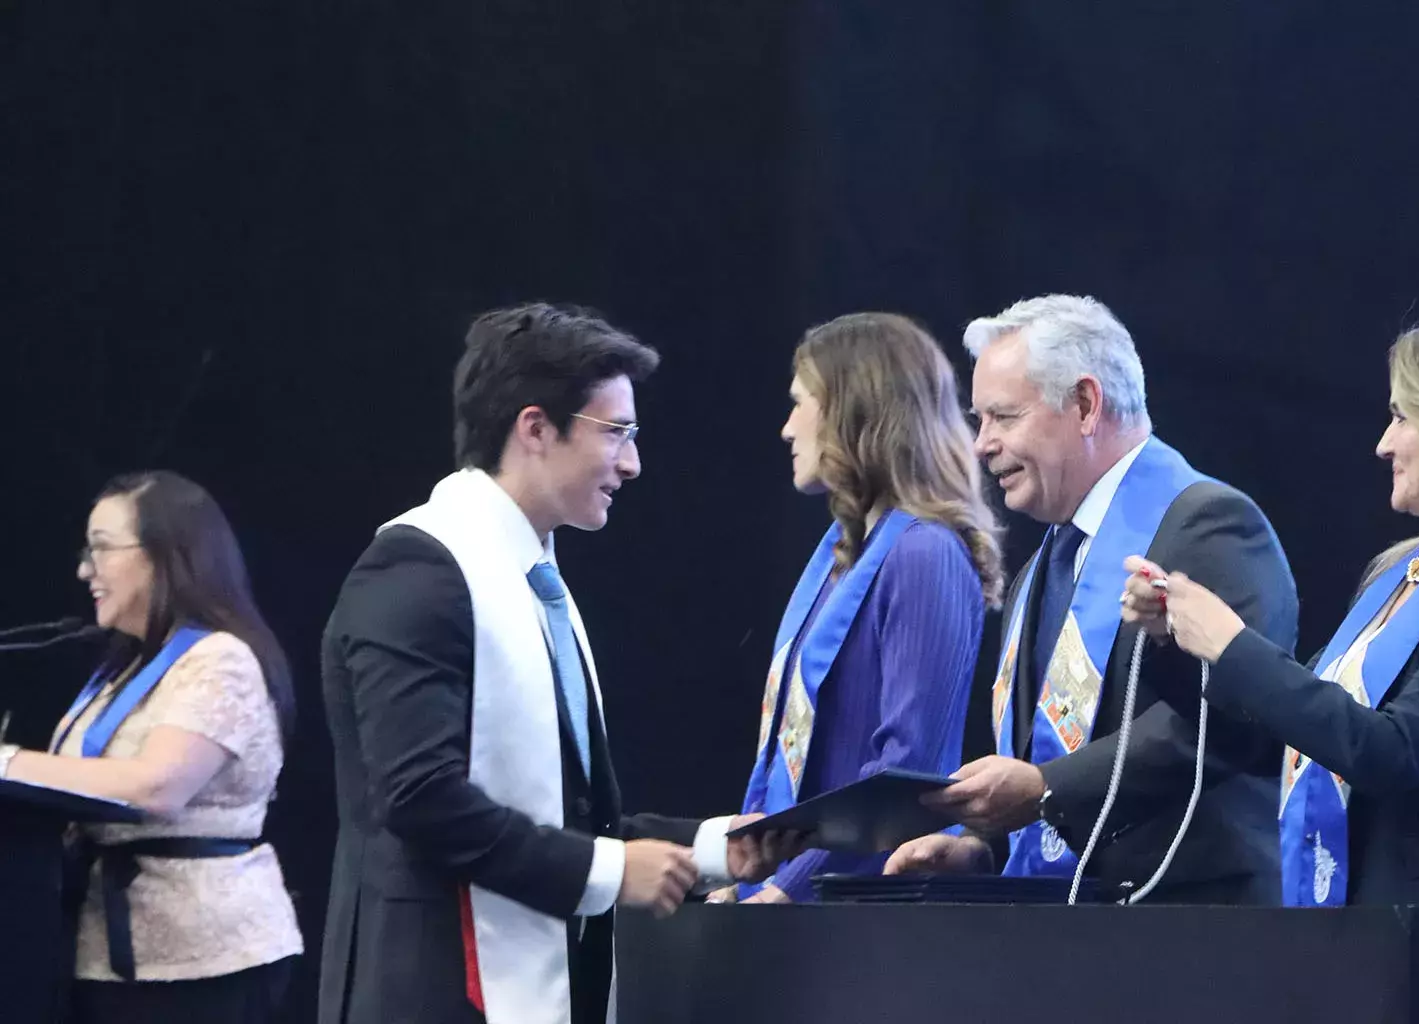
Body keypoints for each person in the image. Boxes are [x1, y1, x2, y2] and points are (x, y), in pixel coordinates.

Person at [317, 303, 799, 1024]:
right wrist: (609, 871)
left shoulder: (537, 579)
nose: (632, 463)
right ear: (536, 428)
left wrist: (708, 850)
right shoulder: (416, 568)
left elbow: (559, 809)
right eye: (617, 433)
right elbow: (419, 799)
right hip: (433, 992)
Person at [1120, 312, 1419, 916]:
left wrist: (1231, 643)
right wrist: (1179, 638)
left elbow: (1394, 751)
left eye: (1402, 416)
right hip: (1359, 930)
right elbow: (1295, 737)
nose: (1384, 443)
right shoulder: (1393, 573)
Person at [886, 294, 1297, 905]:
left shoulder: (1210, 524)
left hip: (1192, 925)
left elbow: (1228, 720)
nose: (981, 444)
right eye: (979, 420)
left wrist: (1045, 788)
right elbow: (1044, 748)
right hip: (1071, 932)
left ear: (1084, 404)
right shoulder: (1041, 568)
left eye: (1002, 417)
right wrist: (984, 848)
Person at [719, 313, 1001, 904]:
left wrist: (789, 889)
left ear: (853, 410)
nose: (787, 428)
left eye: (801, 404)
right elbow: (783, 743)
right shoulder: (839, 554)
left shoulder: (925, 553)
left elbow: (906, 776)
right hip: (802, 906)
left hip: (863, 916)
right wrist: (747, 872)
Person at [0, 471, 301, 1022]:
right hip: (109, 955)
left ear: (167, 555)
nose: (84, 570)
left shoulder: (219, 659)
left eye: (101, 550)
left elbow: (157, 785)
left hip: (203, 962)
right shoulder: (126, 664)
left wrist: (9, 761)